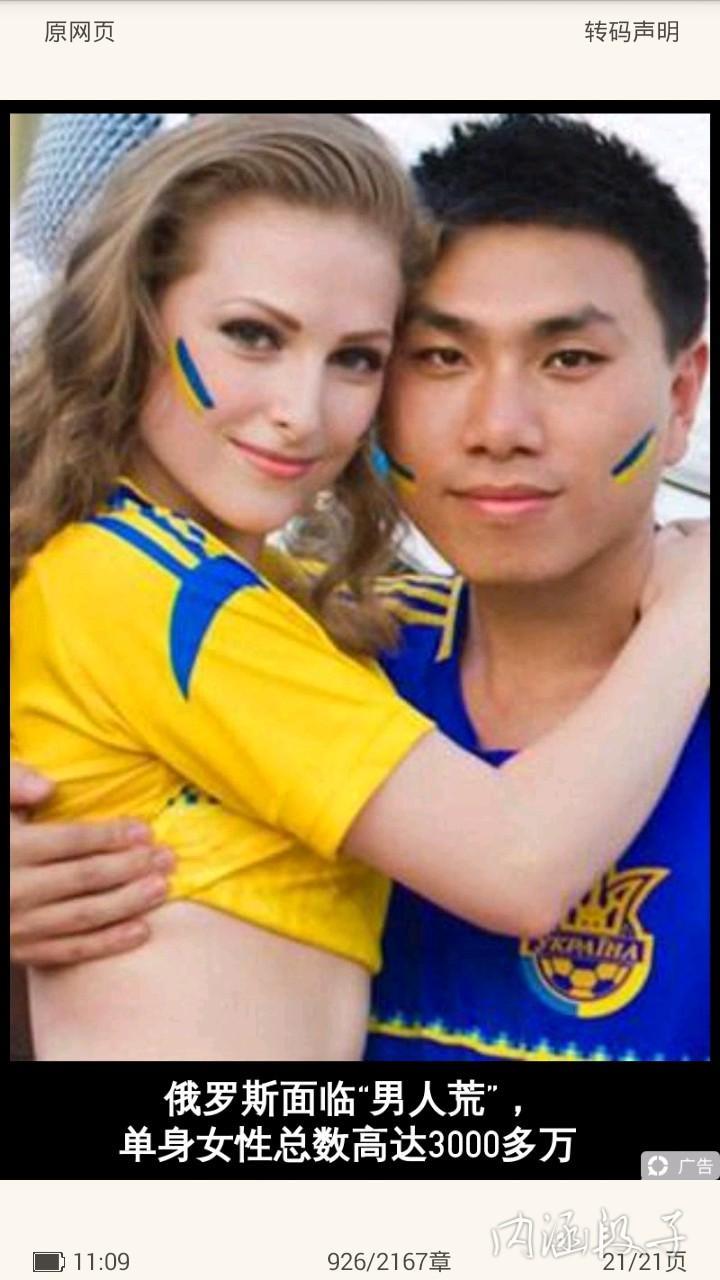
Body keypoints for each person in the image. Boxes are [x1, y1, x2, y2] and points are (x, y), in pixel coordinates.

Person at [10, 114, 709, 1062]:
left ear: (681, 395)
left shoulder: (298, 618)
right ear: (132, 320)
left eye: (569, 359)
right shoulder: (203, 607)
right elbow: (517, 864)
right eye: (442, 357)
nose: (500, 426)